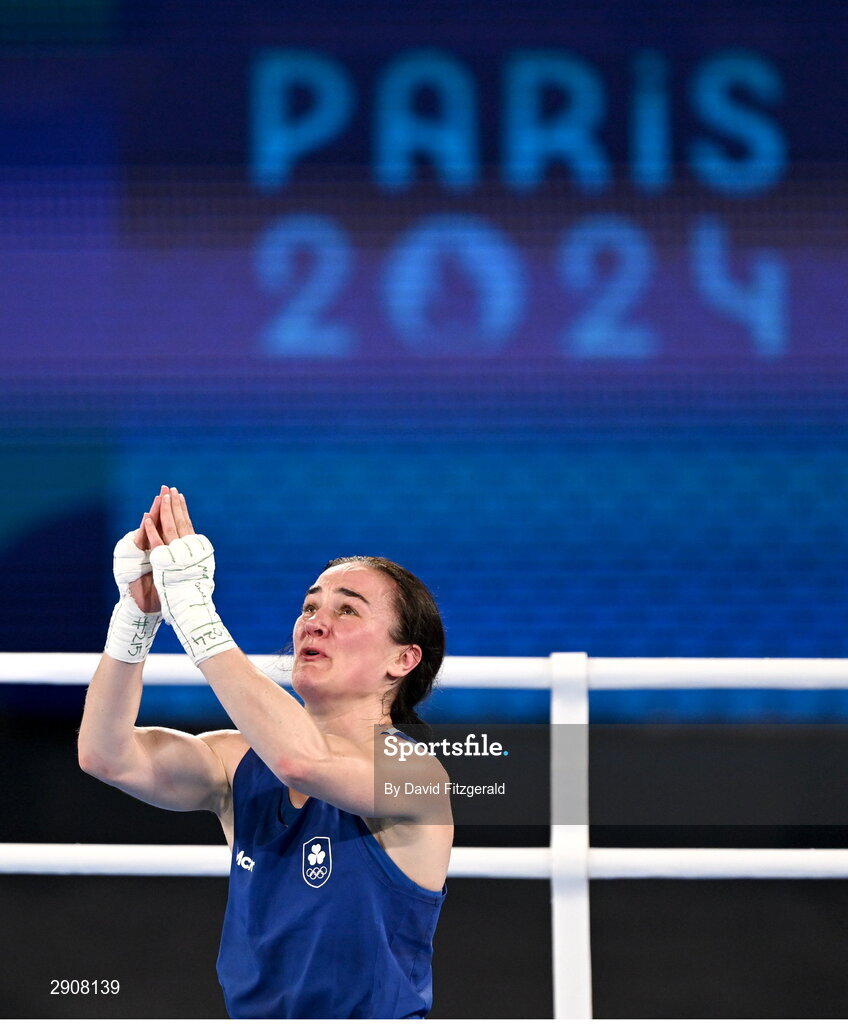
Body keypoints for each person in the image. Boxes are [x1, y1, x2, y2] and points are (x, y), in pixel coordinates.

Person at [78, 485, 452, 1019]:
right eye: (309, 606)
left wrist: (196, 613)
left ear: (403, 659)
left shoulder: (415, 776)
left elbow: (305, 762)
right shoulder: (238, 763)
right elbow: (105, 755)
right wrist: (136, 618)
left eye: (348, 611)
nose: (315, 622)